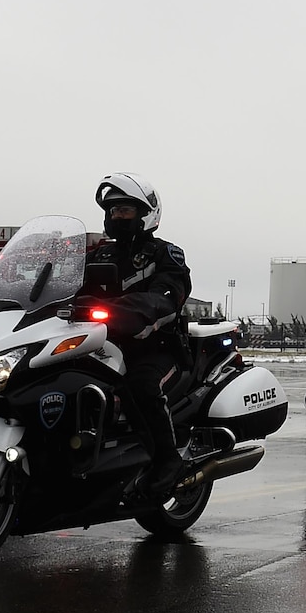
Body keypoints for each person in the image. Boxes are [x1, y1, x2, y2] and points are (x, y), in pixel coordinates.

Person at [87, 173, 192, 499]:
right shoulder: (99, 255)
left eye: (125, 211)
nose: (117, 217)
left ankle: (167, 460)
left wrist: (122, 311)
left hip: (154, 347)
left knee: (141, 386)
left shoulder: (165, 254)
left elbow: (167, 297)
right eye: (113, 211)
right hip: (101, 345)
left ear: (146, 214)